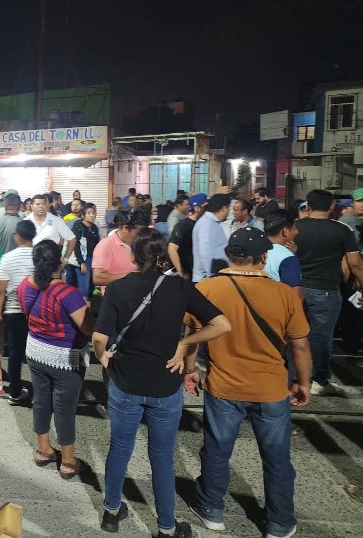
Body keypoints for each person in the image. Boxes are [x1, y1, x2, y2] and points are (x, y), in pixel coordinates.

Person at [93, 229, 230, 537]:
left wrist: (104, 357)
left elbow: (99, 337)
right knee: (162, 458)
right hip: (165, 386)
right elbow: (222, 324)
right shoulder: (181, 288)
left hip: (125, 382)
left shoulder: (118, 288)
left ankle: (111, 512)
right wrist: (185, 343)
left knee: (120, 448)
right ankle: (166, 527)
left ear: (133, 256)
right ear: (163, 256)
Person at [184, 228, 312, 538]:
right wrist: (303, 382)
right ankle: (279, 522)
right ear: (264, 257)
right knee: (277, 458)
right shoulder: (285, 293)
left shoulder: (206, 288)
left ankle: (212, 509)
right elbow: (300, 345)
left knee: (216, 450)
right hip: (271, 388)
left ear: (229, 254)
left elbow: (193, 336)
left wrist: (190, 370)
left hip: (224, 386)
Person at [17, 240, 95, 480]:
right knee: (64, 408)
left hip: (35, 351)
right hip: (65, 357)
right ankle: (68, 462)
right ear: (59, 262)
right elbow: (88, 327)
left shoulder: (24, 285)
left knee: (41, 401)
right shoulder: (67, 293)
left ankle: (44, 450)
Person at [294, 189, 363, 396]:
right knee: (322, 336)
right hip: (325, 290)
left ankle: (293, 376)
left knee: (294, 333)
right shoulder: (342, 230)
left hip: (295, 288)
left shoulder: (294, 227)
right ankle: (319, 380)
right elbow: (354, 263)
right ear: (332, 207)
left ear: (308, 206)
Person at [0, 219, 36, 402]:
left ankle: (15, 391)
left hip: (13, 311)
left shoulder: (7, 258)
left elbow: (0, 290)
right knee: (37, 352)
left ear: (17, 236)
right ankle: (41, 391)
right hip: (35, 312)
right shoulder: (38, 256)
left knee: (15, 353)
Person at [92, 209, 149, 293]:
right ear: (125, 228)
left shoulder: (141, 243)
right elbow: (98, 278)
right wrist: (131, 276)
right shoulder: (106, 245)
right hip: (117, 296)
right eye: (140, 232)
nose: (143, 236)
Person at [191, 193, 231, 283]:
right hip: (207, 279)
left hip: (213, 277)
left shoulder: (211, 222)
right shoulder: (207, 224)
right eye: (229, 208)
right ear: (224, 208)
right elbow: (205, 252)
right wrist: (212, 277)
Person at [168, 194, 207, 280]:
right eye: (205, 207)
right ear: (197, 208)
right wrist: (181, 272)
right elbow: (172, 249)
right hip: (189, 272)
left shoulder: (205, 224)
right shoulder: (182, 226)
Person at [263, 209, 302, 296]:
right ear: (285, 231)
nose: (297, 232)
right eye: (294, 228)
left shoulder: (254, 249)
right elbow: (295, 295)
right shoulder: (287, 257)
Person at [26, 194, 76, 260]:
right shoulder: (26, 221)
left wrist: (66, 258)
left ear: (48, 205)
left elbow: (72, 239)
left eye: (43, 204)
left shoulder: (57, 220)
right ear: (31, 206)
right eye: (37, 204)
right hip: (30, 260)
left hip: (52, 260)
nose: (41, 206)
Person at [66, 203, 100, 297]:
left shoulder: (94, 228)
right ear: (83, 215)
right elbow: (76, 245)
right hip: (81, 260)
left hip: (91, 259)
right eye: (89, 213)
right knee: (83, 288)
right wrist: (82, 262)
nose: (92, 215)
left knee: (90, 287)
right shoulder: (79, 226)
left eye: (93, 213)